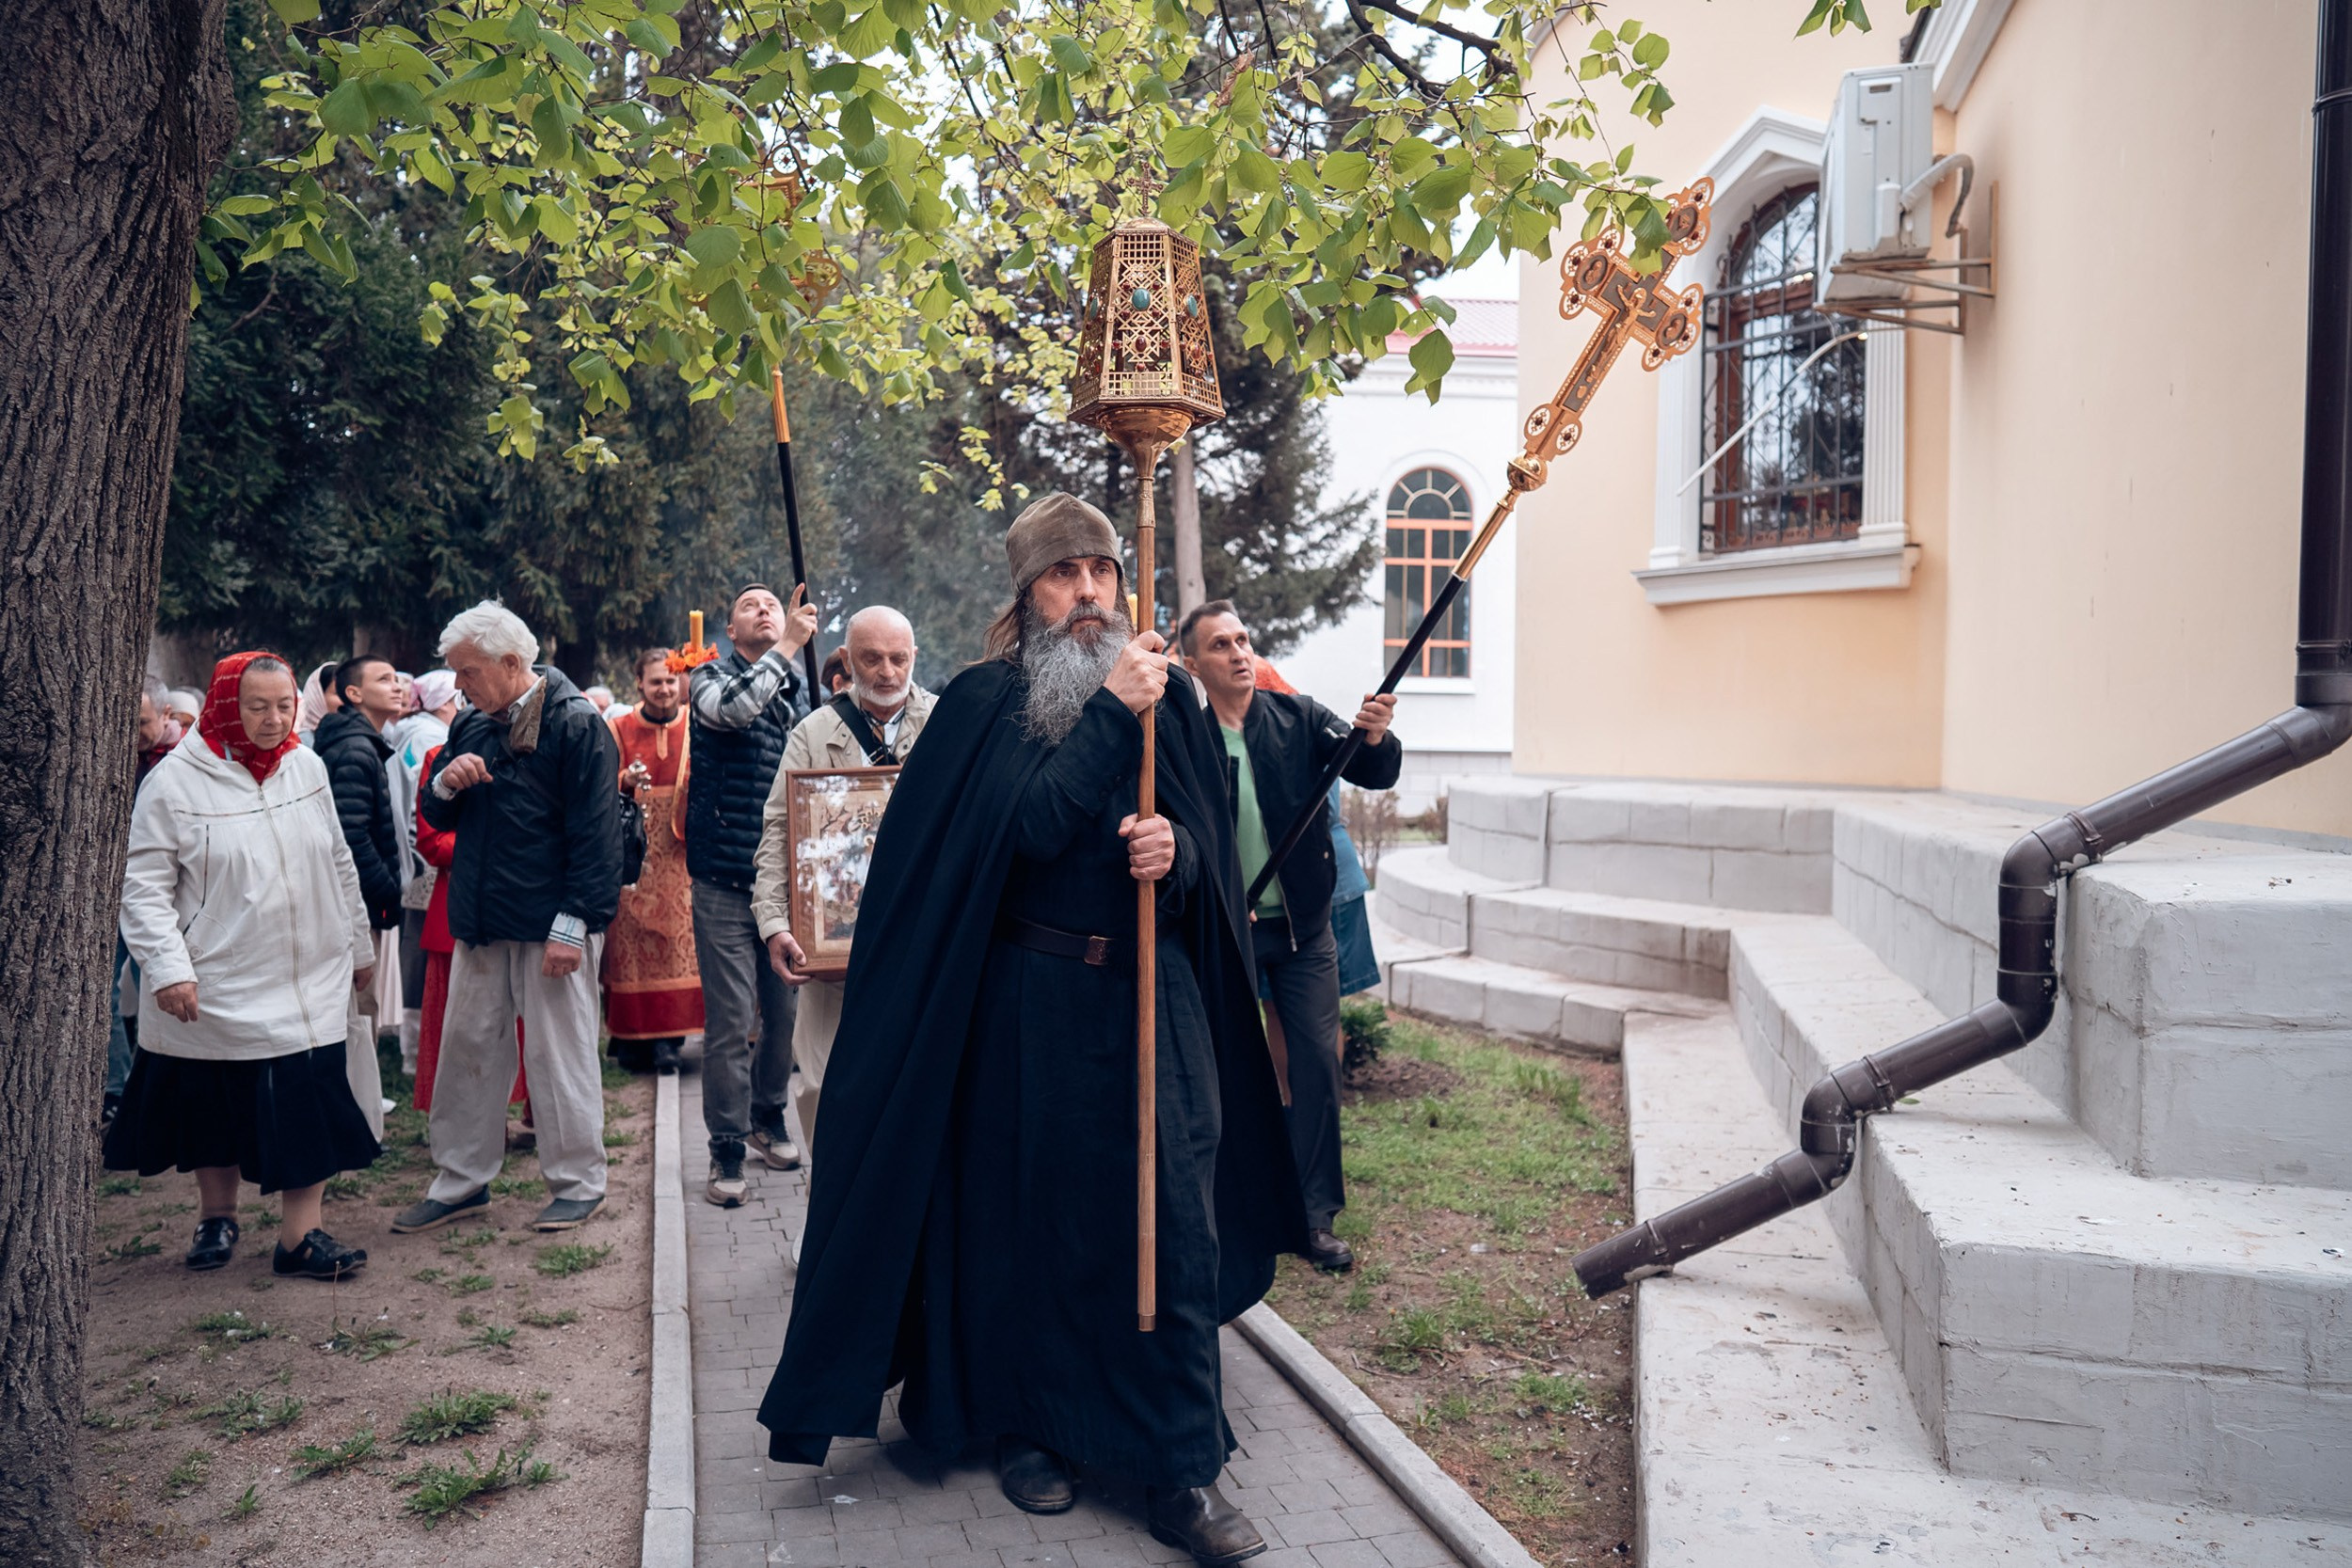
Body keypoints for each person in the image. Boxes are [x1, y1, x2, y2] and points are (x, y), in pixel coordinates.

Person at [758, 495, 1304, 1563]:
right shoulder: (985, 704)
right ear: (1027, 597)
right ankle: (1026, 1428)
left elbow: (1209, 857)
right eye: (1066, 575)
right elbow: (1029, 827)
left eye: (1103, 570)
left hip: (1157, 999)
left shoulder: (1174, 704)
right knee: (1030, 1228)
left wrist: (1176, 857)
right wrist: (1110, 709)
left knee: (1171, 1228)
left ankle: (1179, 1466)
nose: (1091, 590)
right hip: (1028, 1006)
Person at [106, 651, 381, 1280]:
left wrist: (357, 946)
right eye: (257, 706)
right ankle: (217, 1214)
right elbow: (143, 887)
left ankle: (300, 1236)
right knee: (215, 1103)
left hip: (307, 972)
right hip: (218, 977)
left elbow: (338, 859)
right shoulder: (175, 781)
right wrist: (169, 966)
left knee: (307, 1100)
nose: (273, 719)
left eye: (284, 705)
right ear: (225, 703)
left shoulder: (305, 764)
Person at [1180, 601, 1402, 1275]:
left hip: (1303, 931)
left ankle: (1314, 1216)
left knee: (1315, 1066)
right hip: (1226, 933)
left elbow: (1374, 770)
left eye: (1245, 639)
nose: (1240, 653)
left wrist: (1372, 736)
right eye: (1222, 645)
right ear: (1193, 664)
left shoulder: (1298, 716)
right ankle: (1223, 1212)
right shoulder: (1181, 737)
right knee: (1220, 1071)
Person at [391, 602, 621, 1235]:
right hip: (481, 918)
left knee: (558, 1056)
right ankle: (460, 1180)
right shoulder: (472, 725)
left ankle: (578, 1181)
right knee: (468, 1050)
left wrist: (574, 925)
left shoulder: (578, 725)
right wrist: (445, 784)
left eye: (467, 672)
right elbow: (439, 820)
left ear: (513, 663)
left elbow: (596, 837)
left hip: (552, 926)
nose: (457, 685)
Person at [751, 606, 933, 1158]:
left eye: (898, 659)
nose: (886, 671)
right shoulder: (813, 731)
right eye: (872, 658)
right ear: (848, 661)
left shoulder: (947, 723)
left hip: (922, 945)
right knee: (821, 1089)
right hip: (830, 948)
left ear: (913, 658)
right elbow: (780, 830)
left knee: (919, 1093)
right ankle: (827, 1222)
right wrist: (776, 924)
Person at [687, 582, 819, 1206]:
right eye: (749, 605)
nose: (765, 609)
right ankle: (726, 1149)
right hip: (721, 877)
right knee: (732, 1022)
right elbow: (735, 711)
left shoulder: (801, 692)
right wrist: (789, 644)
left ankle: (768, 1118)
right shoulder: (708, 680)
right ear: (731, 632)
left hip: (784, 881)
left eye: (773, 602)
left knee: (785, 1015)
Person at [604, 648, 701, 1074]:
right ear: (639, 684)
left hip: (680, 853)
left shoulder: (697, 724)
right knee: (631, 947)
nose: (664, 689)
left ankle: (669, 1042)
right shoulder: (618, 727)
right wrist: (623, 780)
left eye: (671, 681)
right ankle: (629, 1037)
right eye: (655, 681)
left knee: (678, 946)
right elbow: (602, 780)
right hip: (636, 854)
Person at [316, 655, 409, 1069]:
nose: (397, 686)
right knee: (356, 1020)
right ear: (354, 693)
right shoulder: (355, 749)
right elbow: (351, 837)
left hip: (358, 902)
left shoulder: (362, 742)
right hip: (354, 906)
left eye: (397, 678)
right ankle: (357, 1127)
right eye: (384, 679)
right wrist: (388, 888)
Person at [389, 670, 462, 1073]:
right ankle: (416, 1052)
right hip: (428, 863)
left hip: (417, 858)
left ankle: (415, 1048)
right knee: (421, 958)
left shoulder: (413, 731)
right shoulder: (430, 739)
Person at [296, 659, 342, 746]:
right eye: (338, 693)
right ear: (318, 696)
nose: (346, 700)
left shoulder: (356, 734)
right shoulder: (305, 742)